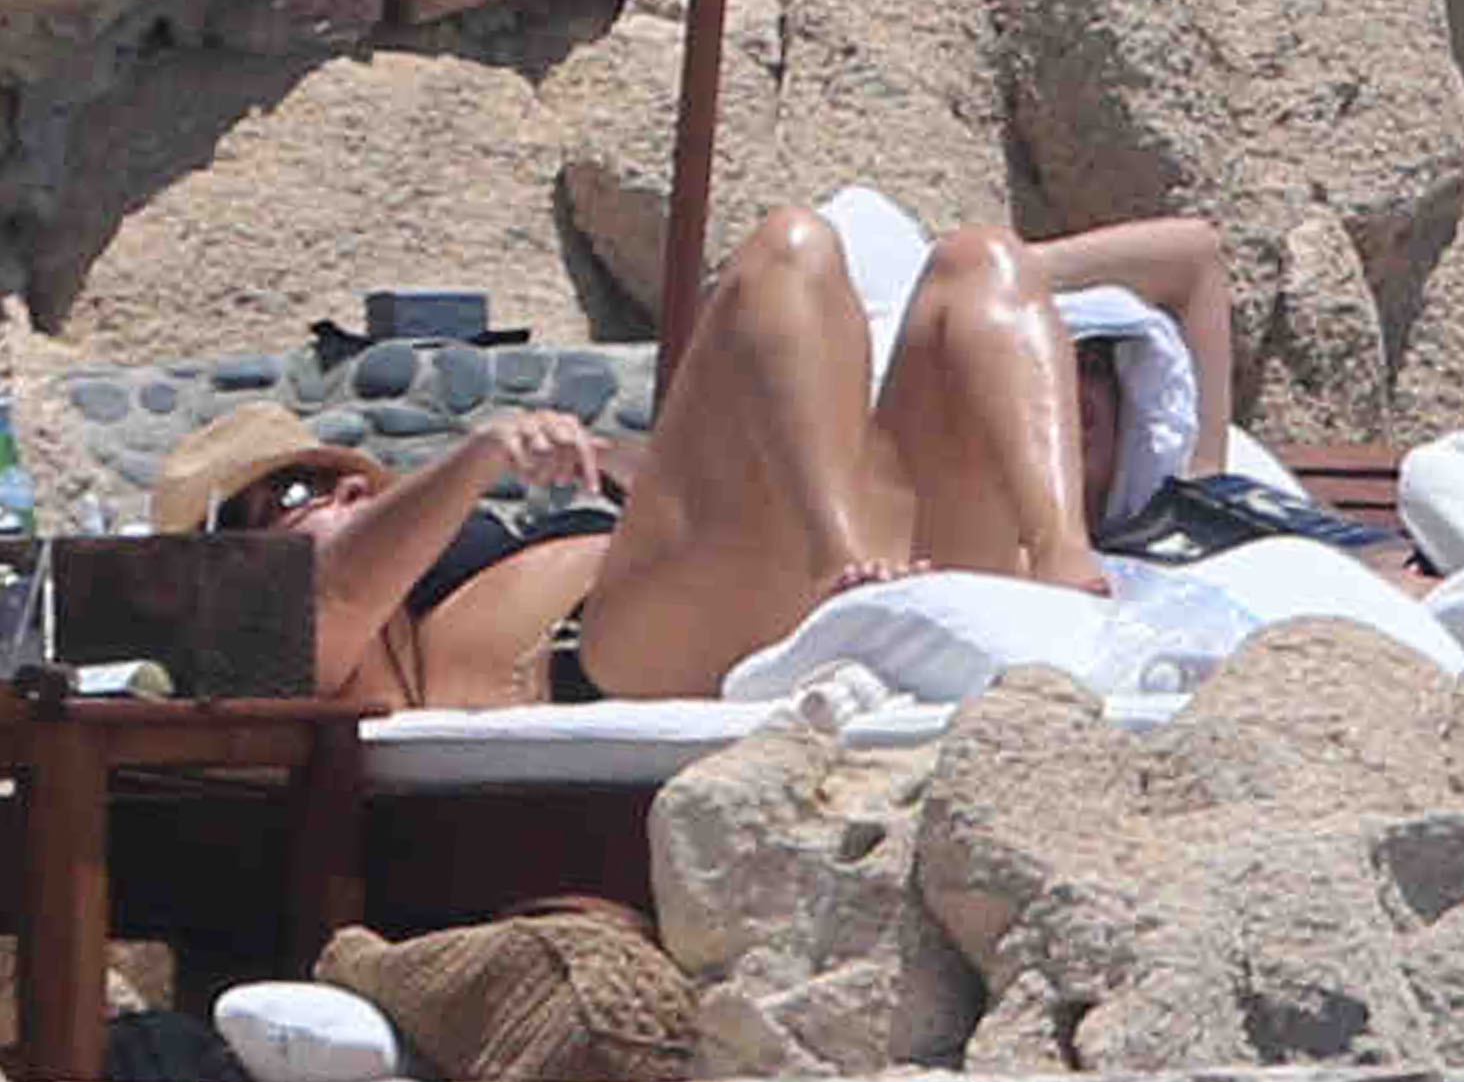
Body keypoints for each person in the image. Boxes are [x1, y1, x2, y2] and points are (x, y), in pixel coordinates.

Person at [153, 207, 1237, 707]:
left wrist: (597, 460)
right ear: (225, 560)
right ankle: (844, 573)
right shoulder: (299, 640)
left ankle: (1063, 558)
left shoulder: (439, 536)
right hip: (604, 662)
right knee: (785, 253)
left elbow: (1192, 249)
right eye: (286, 495)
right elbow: (331, 597)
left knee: (977, 260)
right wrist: (477, 456)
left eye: (341, 472)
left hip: (793, 575)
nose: (337, 485)